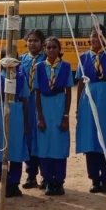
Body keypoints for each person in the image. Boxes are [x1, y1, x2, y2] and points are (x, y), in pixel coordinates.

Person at [75, 24, 106, 194]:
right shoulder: (83, 57)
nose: (96, 39)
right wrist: (78, 109)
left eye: (100, 36)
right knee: (90, 139)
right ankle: (94, 178)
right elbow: (80, 82)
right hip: (88, 100)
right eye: (94, 35)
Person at [34, 37, 73, 196]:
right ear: (44, 50)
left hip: (59, 106)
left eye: (54, 47)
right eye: (48, 47)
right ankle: (48, 180)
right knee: (45, 147)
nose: (51, 50)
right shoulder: (39, 67)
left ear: (59, 49)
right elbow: (36, 92)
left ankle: (59, 181)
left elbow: (69, 92)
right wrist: (40, 117)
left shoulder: (65, 67)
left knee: (59, 146)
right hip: (45, 107)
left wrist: (66, 115)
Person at [0, 51, 30, 198]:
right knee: (2, 152)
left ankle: (14, 183)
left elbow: (25, 100)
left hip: (17, 114)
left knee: (17, 151)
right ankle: (5, 183)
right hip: (1, 114)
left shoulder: (21, 78)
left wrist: (25, 123)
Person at [20, 29, 46, 189]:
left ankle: (45, 175)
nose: (32, 44)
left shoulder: (47, 59)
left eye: (36, 41)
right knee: (28, 138)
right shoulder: (22, 60)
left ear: (42, 43)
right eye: (30, 40)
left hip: (42, 103)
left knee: (41, 138)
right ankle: (30, 174)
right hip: (26, 103)